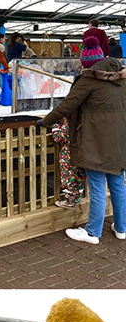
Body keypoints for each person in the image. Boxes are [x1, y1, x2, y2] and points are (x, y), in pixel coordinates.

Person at [37, 37, 126, 244]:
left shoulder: (88, 80)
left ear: (87, 64)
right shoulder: (122, 79)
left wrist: (45, 121)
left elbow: (67, 105)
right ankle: (122, 228)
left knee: (97, 186)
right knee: (118, 184)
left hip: (96, 141)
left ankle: (93, 232)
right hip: (119, 139)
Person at [50, 116, 84, 209]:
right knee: (79, 177)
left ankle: (69, 200)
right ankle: (78, 197)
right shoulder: (84, 122)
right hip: (81, 154)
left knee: (68, 178)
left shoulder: (70, 124)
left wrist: (55, 126)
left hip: (68, 156)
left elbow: (58, 137)